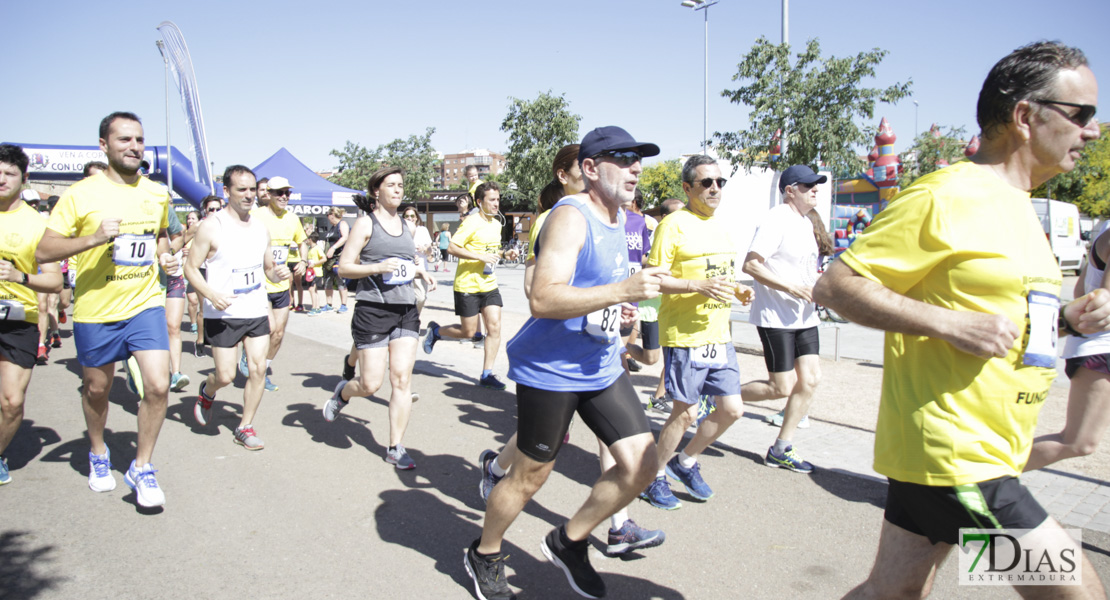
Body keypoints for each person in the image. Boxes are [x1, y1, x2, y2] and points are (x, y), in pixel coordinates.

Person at [814, 41, 1106, 598]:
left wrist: (1068, 319)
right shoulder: (947, 196)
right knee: (1077, 592)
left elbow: (1005, 318)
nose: (1091, 131)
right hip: (957, 460)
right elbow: (836, 286)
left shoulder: (1019, 205)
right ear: (1025, 116)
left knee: (891, 592)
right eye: (1082, 115)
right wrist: (946, 324)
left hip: (985, 450)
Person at [464, 126, 667, 600]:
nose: (636, 167)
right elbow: (542, 298)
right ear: (591, 169)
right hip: (551, 370)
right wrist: (621, 293)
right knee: (531, 475)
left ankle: (569, 541)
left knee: (643, 465)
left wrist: (628, 304)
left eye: (639, 159)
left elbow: (607, 287)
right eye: (624, 158)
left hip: (598, 363)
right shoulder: (570, 217)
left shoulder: (620, 217)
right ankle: (485, 552)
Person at [36, 112, 179, 508]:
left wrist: (165, 259)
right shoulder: (81, 194)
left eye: (139, 140)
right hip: (96, 309)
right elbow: (45, 250)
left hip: (144, 304)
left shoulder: (156, 193)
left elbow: (161, 239)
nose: (134, 147)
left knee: (158, 384)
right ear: (104, 145)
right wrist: (94, 238)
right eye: (124, 140)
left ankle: (142, 466)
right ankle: (98, 451)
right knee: (97, 389)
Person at [639, 154, 754, 511]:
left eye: (720, 182)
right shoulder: (673, 225)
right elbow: (655, 279)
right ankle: (652, 477)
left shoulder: (721, 226)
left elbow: (721, 276)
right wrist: (695, 286)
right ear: (688, 188)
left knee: (733, 409)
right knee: (685, 412)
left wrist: (739, 291)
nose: (715, 189)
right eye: (706, 183)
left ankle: (684, 461)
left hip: (719, 335)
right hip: (685, 335)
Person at [322, 167, 436, 469]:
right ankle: (343, 394)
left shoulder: (407, 226)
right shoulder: (364, 224)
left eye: (401, 185)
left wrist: (420, 270)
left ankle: (395, 447)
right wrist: (377, 267)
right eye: (391, 185)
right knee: (371, 384)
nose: (398, 190)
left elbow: (405, 264)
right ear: (377, 191)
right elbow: (344, 267)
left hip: (406, 310)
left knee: (401, 380)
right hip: (373, 310)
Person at [186, 165, 288, 450]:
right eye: (241, 189)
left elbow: (267, 268)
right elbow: (190, 268)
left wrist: (277, 274)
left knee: (258, 370)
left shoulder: (259, 227)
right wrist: (209, 294)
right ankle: (208, 391)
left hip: (254, 309)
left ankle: (245, 426)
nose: (249, 195)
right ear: (226, 191)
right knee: (226, 375)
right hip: (223, 312)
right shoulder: (212, 226)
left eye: (253, 189)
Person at [738, 164, 832, 474]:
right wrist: (792, 288)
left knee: (811, 379)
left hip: (804, 317)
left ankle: (781, 448)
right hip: (776, 315)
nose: (814, 189)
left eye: (816, 185)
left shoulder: (806, 223)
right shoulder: (775, 219)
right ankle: (720, 397)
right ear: (790, 190)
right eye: (807, 186)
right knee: (781, 387)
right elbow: (751, 266)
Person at [0, 144, 63, 485]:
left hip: (17, 319)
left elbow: (54, 281)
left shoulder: (38, 225)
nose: (1, 179)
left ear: (24, 179)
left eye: (9, 173)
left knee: (11, 402)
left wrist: (20, 276)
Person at [1028, 220, 1110, 471]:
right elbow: (1103, 307)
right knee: (1078, 442)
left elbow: (1079, 291)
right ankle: (971, 479)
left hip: (1092, 345)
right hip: (1100, 348)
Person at [423, 182, 517, 390]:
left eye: (498, 200)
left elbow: (491, 250)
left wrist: (504, 254)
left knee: (494, 327)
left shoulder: (496, 224)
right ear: (479, 202)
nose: (496, 204)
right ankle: (437, 332)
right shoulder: (471, 222)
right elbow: (452, 247)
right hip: (467, 284)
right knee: (468, 333)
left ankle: (487, 374)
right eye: (491, 200)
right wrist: (479, 256)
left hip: (489, 284)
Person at [242, 176, 308, 392]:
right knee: (269, 328)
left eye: (287, 193)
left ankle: (263, 369)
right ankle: (253, 363)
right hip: (259, 284)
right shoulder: (256, 216)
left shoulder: (292, 218)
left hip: (281, 285)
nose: (284, 197)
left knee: (278, 333)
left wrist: (303, 261)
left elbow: (303, 242)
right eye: (279, 192)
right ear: (268, 194)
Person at [643, 198, 686, 414]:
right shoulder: (657, 234)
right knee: (652, 357)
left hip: (671, 306)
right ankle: (621, 352)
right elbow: (650, 266)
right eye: (679, 212)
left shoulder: (684, 234)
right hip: (650, 306)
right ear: (665, 217)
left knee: (670, 357)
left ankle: (658, 397)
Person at [403, 206, 433, 315]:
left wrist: (424, 249)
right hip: (405, 270)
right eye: (406, 216)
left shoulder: (422, 230)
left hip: (421, 270)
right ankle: (409, 323)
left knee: (421, 298)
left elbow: (430, 251)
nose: (409, 218)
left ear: (417, 218)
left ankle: (413, 319)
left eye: (412, 216)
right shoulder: (400, 230)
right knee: (405, 299)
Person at [320, 207, 350, 312]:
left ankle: (343, 304)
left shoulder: (342, 224)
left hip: (339, 257)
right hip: (329, 259)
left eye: (328, 216)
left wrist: (333, 248)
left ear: (332, 215)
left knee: (340, 281)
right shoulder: (332, 227)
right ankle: (329, 304)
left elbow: (345, 237)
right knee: (328, 281)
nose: (328, 218)